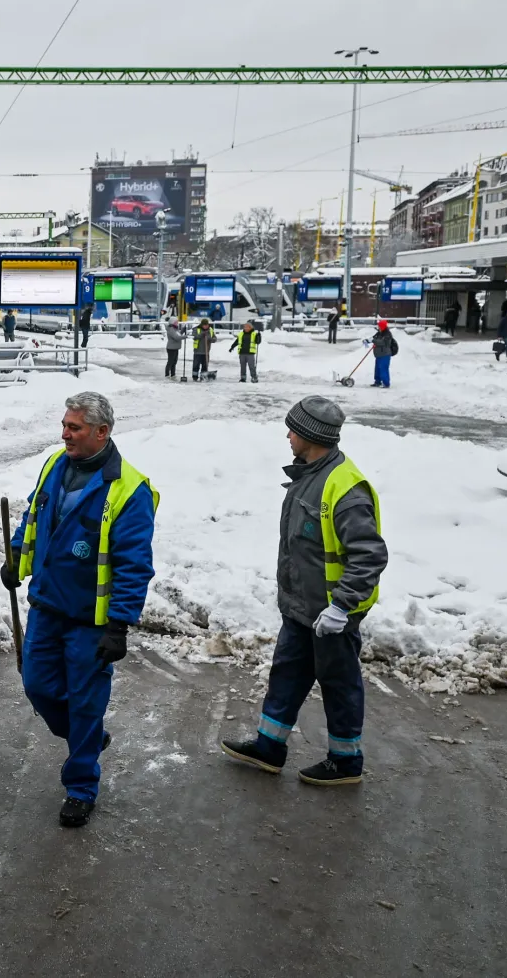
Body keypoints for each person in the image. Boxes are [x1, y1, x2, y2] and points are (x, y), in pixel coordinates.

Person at [3, 392, 157, 827]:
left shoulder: (130, 490)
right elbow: (33, 515)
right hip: (47, 604)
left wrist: (120, 625)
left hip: (92, 621)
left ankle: (81, 786)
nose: (65, 433)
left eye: (75, 427)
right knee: (37, 686)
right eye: (65, 425)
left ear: (102, 432)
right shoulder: (54, 465)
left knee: (86, 704)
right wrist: (16, 556)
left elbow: (134, 565)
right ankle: (87, 738)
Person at [221, 397, 387, 786]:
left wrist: (341, 608)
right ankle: (269, 747)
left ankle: (345, 762)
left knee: (339, 685)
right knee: (287, 675)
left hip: (331, 615)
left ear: (311, 435)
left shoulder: (344, 487)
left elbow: (369, 556)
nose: (288, 435)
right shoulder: (309, 475)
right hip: (301, 609)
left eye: (293, 429)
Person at [369, 320, 398, 388]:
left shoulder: (387, 334)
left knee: (383, 369)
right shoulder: (379, 333)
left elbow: (382, 342)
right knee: (377, 369)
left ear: (382, 326)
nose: (378, 327)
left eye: (379, 326)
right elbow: (373, 338)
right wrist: (367, 340)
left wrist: (373, 341)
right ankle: (377, 382)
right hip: (378, 354)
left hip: (385, 354)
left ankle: (386, 383)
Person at [190, 317, 214, 381]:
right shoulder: (196, 329)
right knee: (196, 365)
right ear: (202, 325)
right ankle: (195, 377)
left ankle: (203, 377)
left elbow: (214, 338)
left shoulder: (210, 330)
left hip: (206, 352)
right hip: (198, 351)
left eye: (207, 325)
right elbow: (195, 337)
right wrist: (202, 334)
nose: (206, 326)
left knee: (205, 366)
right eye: (205, 325)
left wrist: (210, 339)